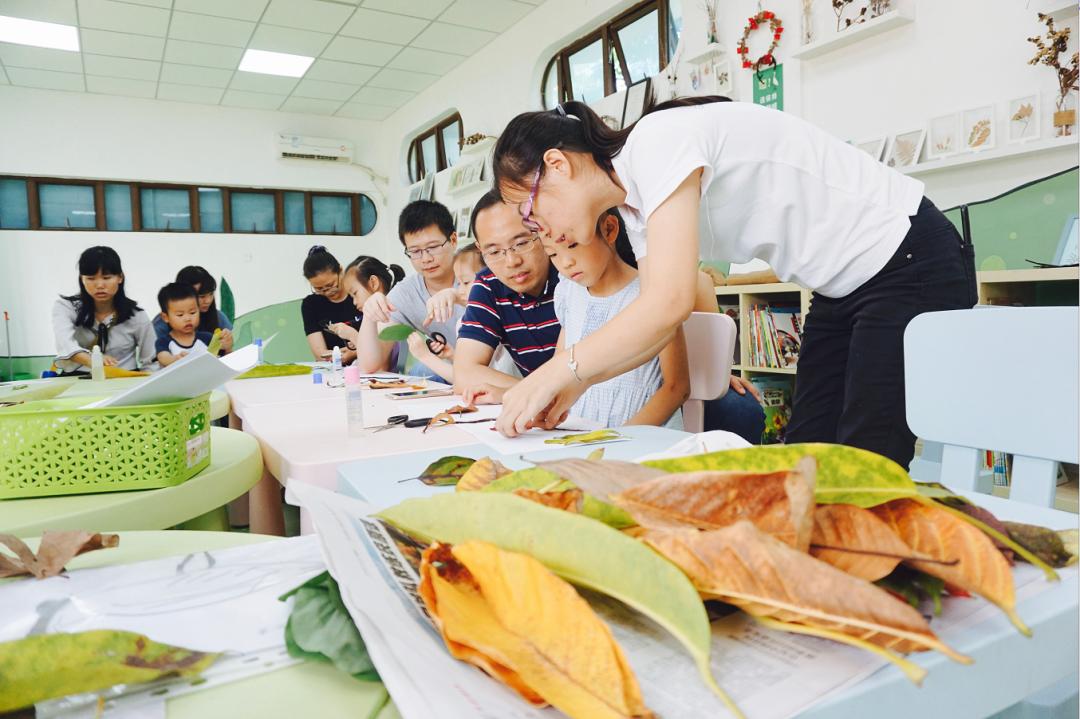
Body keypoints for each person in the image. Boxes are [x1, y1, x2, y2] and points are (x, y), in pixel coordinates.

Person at [489, 98, 976, 468]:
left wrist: (556, 373)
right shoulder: (635, 209)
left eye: (531, 213)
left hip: (906, 255)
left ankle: (876, 586)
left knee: (866, 456)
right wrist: (576, 386)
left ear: (557, 165)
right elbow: (657, 327)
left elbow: (671, 302)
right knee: (805, 455)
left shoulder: (656, 142)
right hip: (841, 287)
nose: (542, 232)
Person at [547, 210, 689, 427]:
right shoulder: (568, 293)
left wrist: (619, 440)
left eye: (572, 245)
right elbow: (561, 370)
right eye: (552, 254)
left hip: (644, 434)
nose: (565, 263)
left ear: (609, 229)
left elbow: (677, 387)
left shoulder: (652, 294)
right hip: (580, 431)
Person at [453, 191, 561, 400]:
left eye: (521, 243)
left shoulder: (571, 271)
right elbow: (465, 374)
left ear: (541, 229)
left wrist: (523, 393)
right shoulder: (488, 285)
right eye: (494, 252)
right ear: (480, 250)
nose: (511, 261)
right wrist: (535, 395)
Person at [355, 201, 463, 380]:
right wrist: (369, 315)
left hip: (495, 371)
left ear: (453, 240)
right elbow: (369, 366)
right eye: (415, 251)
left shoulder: (475, 273)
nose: (426, 258)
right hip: (453, 375)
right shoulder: (407, 293)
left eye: (433, 247)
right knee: (422, 372)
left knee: (424, 369)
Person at [408, 243, 515, 383]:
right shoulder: (468, 319)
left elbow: (466, 379)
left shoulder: (490, 318)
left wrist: (425, 356)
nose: (460, 291)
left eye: (465, 282)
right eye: (458, 283)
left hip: (501, 392)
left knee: (420, 370)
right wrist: (453, 355)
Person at [52, 246, 156, 373]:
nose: (100, 285)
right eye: (91, 278)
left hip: (123, 380)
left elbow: (151, 361)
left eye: (106, 278)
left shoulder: (137, 315)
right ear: (82, 279)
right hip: (78, 379)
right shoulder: (66, 307)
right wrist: (94, 360)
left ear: (120, 278)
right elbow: (66, 344)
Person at [329, 255, 405, 371]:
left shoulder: (389, 317)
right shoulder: (381, 316)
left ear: (373, 283)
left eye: (355, 293)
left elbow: (379, 366)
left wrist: (352, 335)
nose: (354, 302)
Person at [300, 245, 361, 364]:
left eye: (331, 285)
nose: (327, 292)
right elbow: (320, 354)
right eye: (319, 289)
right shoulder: (311, 305)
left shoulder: (358, 295)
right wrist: (340, 355)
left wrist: (354, 352)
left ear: (341, 271)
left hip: (366, 365)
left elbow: (379, 340)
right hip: (331, 369)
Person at [152, 266, 233, 354]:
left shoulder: (219, 317)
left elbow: (227, 356)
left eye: (211, 294)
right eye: (201, 296)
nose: (208, 300)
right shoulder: (160, 326)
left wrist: (227, 347)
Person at [155, 283, 213, 367]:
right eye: (180, 315)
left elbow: (220, 357)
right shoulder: (163, 342)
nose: (188, 318)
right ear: (165, 317)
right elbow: (163, 357)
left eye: (192, 312)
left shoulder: (207, 338)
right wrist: (175, 359)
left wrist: (227, 346)